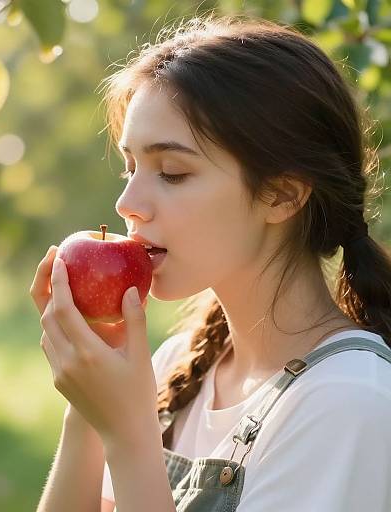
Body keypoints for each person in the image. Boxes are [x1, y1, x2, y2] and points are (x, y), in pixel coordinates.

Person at [30, 13, 391, 512]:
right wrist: (89, 414)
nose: (127, 202)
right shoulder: (177, 368)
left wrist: (130, 435)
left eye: (172, 172)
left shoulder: (348, 401)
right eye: (129, 167)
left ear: (281, 195)